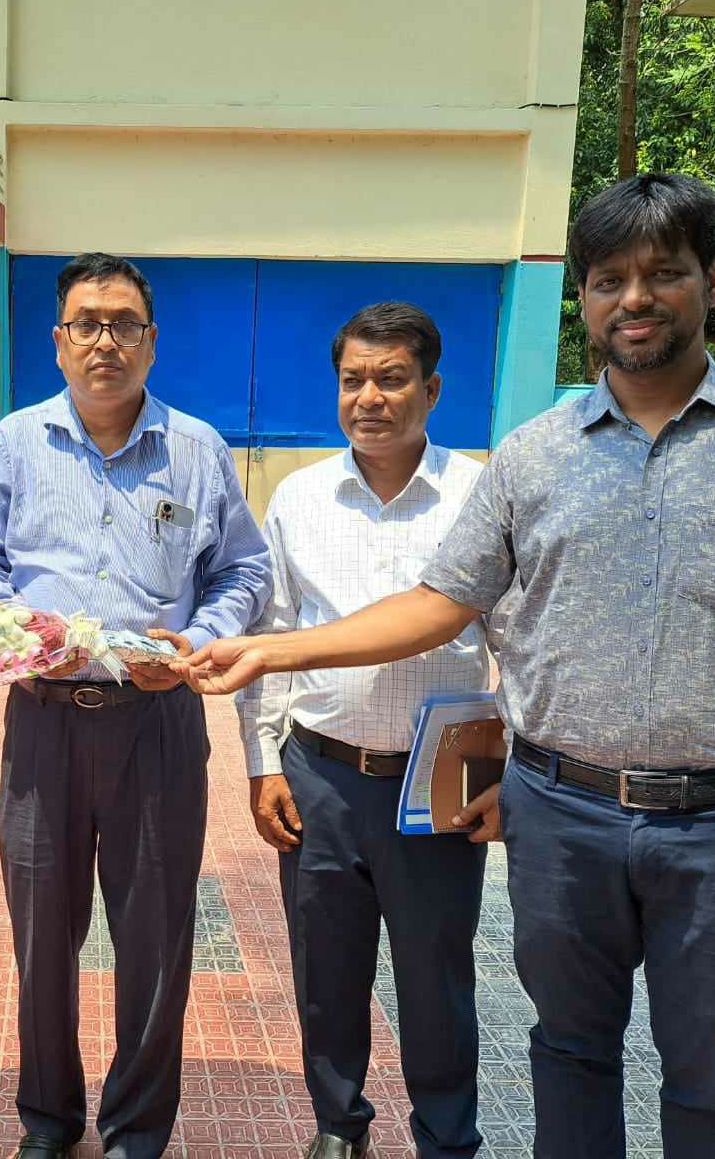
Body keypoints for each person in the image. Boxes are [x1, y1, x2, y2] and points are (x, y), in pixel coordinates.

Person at [179, 173, 715, 1158]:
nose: (634, 298)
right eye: (607, 280)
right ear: (583, 298)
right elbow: (441, 604)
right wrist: (268, 649)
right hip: (563, 818)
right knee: (568, 1054)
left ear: (712, 279)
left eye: (662, 273)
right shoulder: (534, 455)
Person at [0, 252, 272, 1159]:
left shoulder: (197, 449)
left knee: (156, 938)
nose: (105, 342)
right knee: (42, 937)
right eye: (86, 323)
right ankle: (47, 1123)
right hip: (43, 721)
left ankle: (136, 1130)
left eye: (124, 324)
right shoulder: (16, 442)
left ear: (151, 341)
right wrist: (19, 631)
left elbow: (246, 570)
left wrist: (198, 638)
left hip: (156, 723)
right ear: (58, 341)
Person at [242, 302, 490, 1159]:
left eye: (391, 379)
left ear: (433, 389)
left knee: (437, 977)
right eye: (354, 380)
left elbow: (520, 642)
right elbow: (273, 633)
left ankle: (447, 1138)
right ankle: (338, 1126)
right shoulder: (300, 498)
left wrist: (509, 777)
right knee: (326, 970)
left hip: (444, 779)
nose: (369, 398)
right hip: (321, 773)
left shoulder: (480, 495)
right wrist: (262, 764)